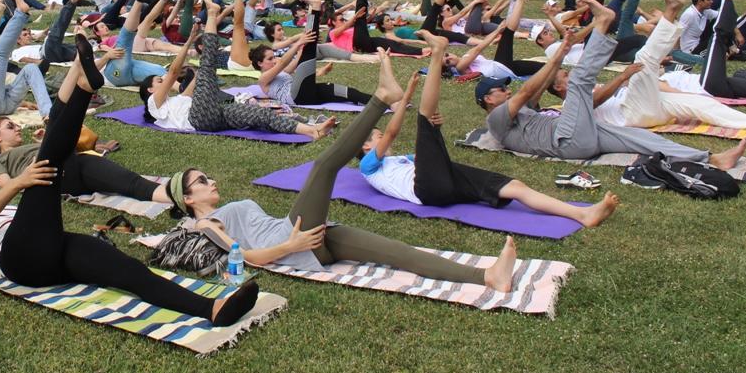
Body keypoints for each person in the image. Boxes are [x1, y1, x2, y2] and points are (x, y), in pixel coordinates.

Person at [0, 42, 260, 327]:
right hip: (20, 261)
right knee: (46, 164)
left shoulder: (3, 206)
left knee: (128, 271)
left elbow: (15, 217)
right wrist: (18, 185)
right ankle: (85, 88)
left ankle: (210, 309)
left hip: (51, 251)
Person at [177, 52, 519, 291]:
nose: (212, 180)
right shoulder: (206, 223)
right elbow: (246, 258)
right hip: (290, 239)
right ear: (188, 198)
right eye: (202, 181)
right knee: (325, 166)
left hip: (302, 236)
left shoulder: (221, 212)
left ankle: (486, 277)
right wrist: (290, 245)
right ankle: (382, 98)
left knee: (398, 253)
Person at [361, 34, 619, 227]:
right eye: (375, 136)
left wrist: (434, 131)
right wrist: (410, 100)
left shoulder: (401, 159)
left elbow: (432, 158)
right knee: (424, 119)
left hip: (443, 181)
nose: (381, 135)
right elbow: (394, 131)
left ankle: (582, 214)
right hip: (426, 191)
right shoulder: (369, 166)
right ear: (365, 148)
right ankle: (437, 52)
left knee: (514, 185)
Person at [479, 0, 746, 169]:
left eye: (504, 86)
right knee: (579, 81)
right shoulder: (496, 120)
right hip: (566, 141)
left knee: (640, 138)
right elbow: (526, 89)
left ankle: (710, 159)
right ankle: (603, 22)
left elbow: (536, 88)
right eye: (500, 89)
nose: (506, 89)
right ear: (488, 100)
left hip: (582, 134)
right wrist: (560, 54)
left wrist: (560, 56)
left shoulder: (522, 113)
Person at [550, 0, 746, 134]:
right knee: (643, 58)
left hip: (649, 107)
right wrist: (622, 78)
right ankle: (672, 10)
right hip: (633, 114)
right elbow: (594, 101)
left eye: (567, 72)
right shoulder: (569, 103)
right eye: (565, 76)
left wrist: (634, 81)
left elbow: (612, 93)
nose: (570, 75)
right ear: (559, 87)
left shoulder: (582, 89)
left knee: (700, 103)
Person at [140, 0, 336, 141]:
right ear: (150, 90)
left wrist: (192, 45)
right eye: (158, 81)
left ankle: (312, 130)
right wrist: (189, 55)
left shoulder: (176, 101)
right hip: (198, 119)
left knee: (262, 115)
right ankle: (212, 13)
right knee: (208, 63)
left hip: (214, 116)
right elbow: (173, 73)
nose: (163, 80)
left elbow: (197, 82)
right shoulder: (153, 103)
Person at [0, 114, 174, 205]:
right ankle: (64, 120)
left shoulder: (30, 145)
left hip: (74, 167)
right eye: (10, 126)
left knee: (128, 181)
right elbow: (7, 186)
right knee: (61, 125)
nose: (17, 128)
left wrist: (44, 143)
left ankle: (173, 196)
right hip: (46, 174)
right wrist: (43, 152)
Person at [251, 0, 372, 107]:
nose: (274, 60)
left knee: (349, 92)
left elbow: (293, 66)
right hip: (296, 97)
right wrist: (300, 42)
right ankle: (315, 8)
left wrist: (301, 49)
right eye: (270, 59)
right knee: (309, 43)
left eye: (273, 57)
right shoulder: (263, 79)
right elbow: (283, 62)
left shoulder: (281, 72)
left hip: (309, 94)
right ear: (260, 63)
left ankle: (385, 103)